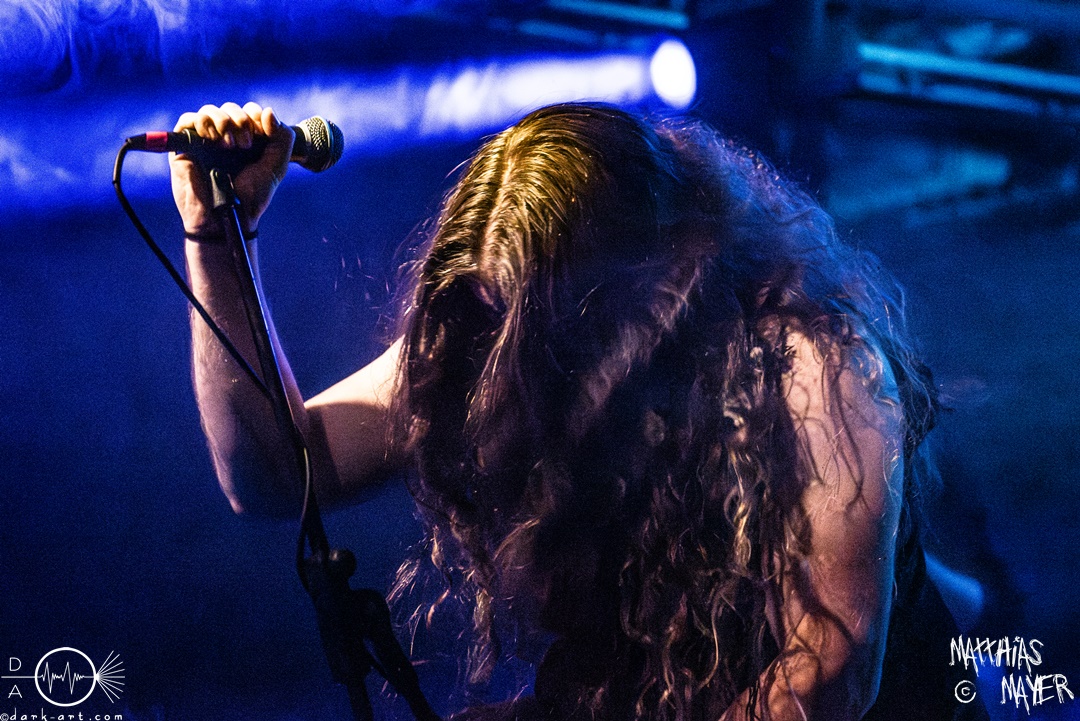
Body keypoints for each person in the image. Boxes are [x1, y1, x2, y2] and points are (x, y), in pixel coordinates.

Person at [171, 101, 987, 720]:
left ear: (647, 292)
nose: (505, 367)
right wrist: (217, 237)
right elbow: (276, 475)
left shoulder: (812, 363)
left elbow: (827, 675)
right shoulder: (487, 331)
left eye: (534, 334)